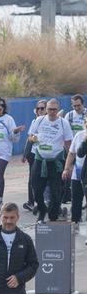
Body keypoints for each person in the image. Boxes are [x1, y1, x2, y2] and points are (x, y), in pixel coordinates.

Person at [29, 98, 74, 222]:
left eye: (54, 109)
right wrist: (33, 139)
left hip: (56, 162)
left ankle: (53, 215)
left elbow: (68, 143)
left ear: (58, 110)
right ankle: (42, 209)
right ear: (46, 109)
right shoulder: (39, 120)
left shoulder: (63, 123)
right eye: (49, 109)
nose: (52, 112)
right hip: (40, 160)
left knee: (56, 191)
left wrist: (70, 163)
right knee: (37, 189)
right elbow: (30, 136)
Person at [66, 94, 87, 228]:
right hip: (78, 170)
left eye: (78, 105)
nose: (76, 108)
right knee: (76, 198)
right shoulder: (79, 136)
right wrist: (67, 168)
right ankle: (75, 221)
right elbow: (73, 153)